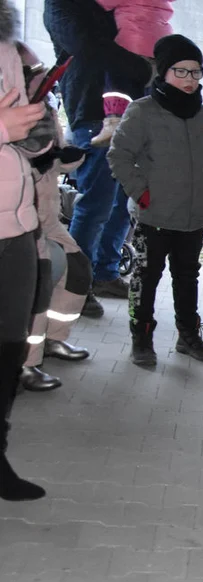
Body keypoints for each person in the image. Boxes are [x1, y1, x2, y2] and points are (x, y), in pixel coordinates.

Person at [107, 34, 203, 368]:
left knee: (187, 279)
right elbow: (119, 157)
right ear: (164, 72)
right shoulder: (142, 111)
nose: (190, 79)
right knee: (146, 279)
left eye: (196, 72)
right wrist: (142, 192)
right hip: (153, 215)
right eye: (181, 71)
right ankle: (141, 338)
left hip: (193, 218)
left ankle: (188, 335)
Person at [43, 0, 152, 317]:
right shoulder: (62, 6)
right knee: (97, 203)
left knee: (122, 198)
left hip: (132, 108)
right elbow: (92, 49)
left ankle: (104, 272)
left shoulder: (114, 4)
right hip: (92, 109)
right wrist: (144, 65)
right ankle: (74, 284)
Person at [1, 0, 49, 501]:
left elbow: (28, 144)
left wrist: (37, 121)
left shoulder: (11, 43)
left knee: (8, 349)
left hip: (15, 229)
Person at [22, 101, 92, 392]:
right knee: (39, 282)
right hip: (22, 225)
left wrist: (75, 153)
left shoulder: (44, 109)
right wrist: (36, 160)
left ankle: (54, 338)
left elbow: (61, 160)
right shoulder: (13, 115)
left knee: (78, 269)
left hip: (50, 221)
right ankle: (26, 364)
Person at [89, 0, 174, 147]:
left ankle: (114, 121)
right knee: (147, 92)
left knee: (115, 81)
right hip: (162, 43)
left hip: (133, 41)